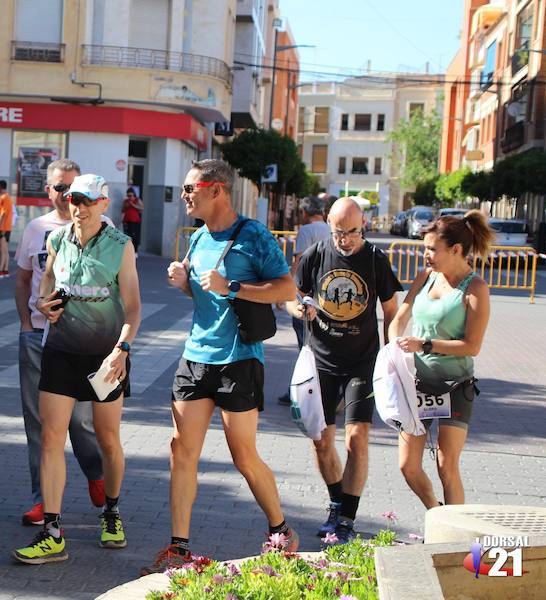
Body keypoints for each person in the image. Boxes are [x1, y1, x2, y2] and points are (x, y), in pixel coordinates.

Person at [141, 159, 298, 575]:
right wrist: (183, 282)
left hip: (239, 360)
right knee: (181, 452)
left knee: (243, 454)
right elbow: (203, 297)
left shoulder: (254, 235)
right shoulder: (196, 238)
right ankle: (178, 547)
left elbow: (286, 288)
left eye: (192, 188)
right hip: (196, 357)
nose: (185, 194)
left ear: (217, 190)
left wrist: (233, 286)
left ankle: (281, 530)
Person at [13, 174, 141, 564]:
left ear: (104, 204)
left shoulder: (121, 246)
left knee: (107, 439)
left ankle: (112, 512)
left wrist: (122, 350)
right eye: (73, 200)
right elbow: (45, 287)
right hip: (62, 352)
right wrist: (44, 304)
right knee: (51, 438)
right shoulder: (56, 239)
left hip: (106, 358)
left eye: (87, 201)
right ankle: (52, 531)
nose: (78, 208)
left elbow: (133, 308)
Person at [286, 197, 403, 543]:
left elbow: (391, 310)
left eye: (351, 232)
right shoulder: (317, 254)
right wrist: (299, 310)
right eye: (339, 232)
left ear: (362, 225)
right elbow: (291, 296)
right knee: (321, 441)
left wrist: (390, 357)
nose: (344, 240)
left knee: (357, 439)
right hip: (320, 361)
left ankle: (347, 518)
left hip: (361, 362)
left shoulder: (375, 260)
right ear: (328, 224)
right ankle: (336, 501)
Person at [14, 159, 109, 528]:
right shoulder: (36, 229)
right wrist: (26, 323)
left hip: (83, 341)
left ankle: (97, 475)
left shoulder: (104, 229)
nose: (64, 196)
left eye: (70, 189)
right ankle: (42, 500)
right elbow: (23, 279)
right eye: (57, 188)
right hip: (39, 337)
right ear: (47, 190)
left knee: (82, 422)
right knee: (37, 423)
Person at [389, 211, 493, 509]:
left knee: (446, 465)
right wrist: (394, 348)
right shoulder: (425, 277)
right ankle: (437, 514)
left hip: (455, 387)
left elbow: (472, 346)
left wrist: (426, 344)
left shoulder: (475, 288)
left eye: (432, 249)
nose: (426, 255)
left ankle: (455, 537)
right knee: (408, 466)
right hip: (416, 385)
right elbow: (399, 319)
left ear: (455, 250)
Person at [277, 195, 331, 405]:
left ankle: (301, 391)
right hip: (326, 294)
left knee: (304, 345)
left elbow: (299, 261)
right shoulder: (329, 228)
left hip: (306, 293)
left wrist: (288, 290)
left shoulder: (307, 231)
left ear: (304, 213)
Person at [0, 180, 14, 277]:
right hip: (7, 227)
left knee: (2, 250)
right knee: (5, 250)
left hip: (3, 228)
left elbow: (3, 213)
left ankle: (0, 270)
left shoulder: (4, 197)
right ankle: (5, 269)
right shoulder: (8, 197)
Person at [122, 187, 144, 257]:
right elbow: (123, 210)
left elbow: (142, 208)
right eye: (128, 196)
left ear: (134, 195)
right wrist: (128, 205)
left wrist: (133, 205)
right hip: (127, 221)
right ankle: (128, 251)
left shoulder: (137, 200)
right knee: (127, 236)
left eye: (131, 195)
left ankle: (135, 251)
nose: (129, 197)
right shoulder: (126, 201)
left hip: (135, 221)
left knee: (135, 237)